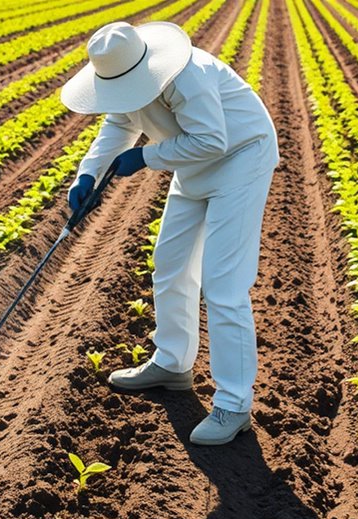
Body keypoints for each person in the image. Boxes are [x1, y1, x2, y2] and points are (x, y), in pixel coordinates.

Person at [60, 21, 279, 446]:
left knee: (222, 283)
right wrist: (89, 173)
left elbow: (212, 140)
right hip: (192, 163)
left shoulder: (187, 75)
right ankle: (173, 362)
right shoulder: (126, 76)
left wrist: (146, 156)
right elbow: (118, 125)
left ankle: (233, 404)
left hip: (240, 157)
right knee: (170, 263)